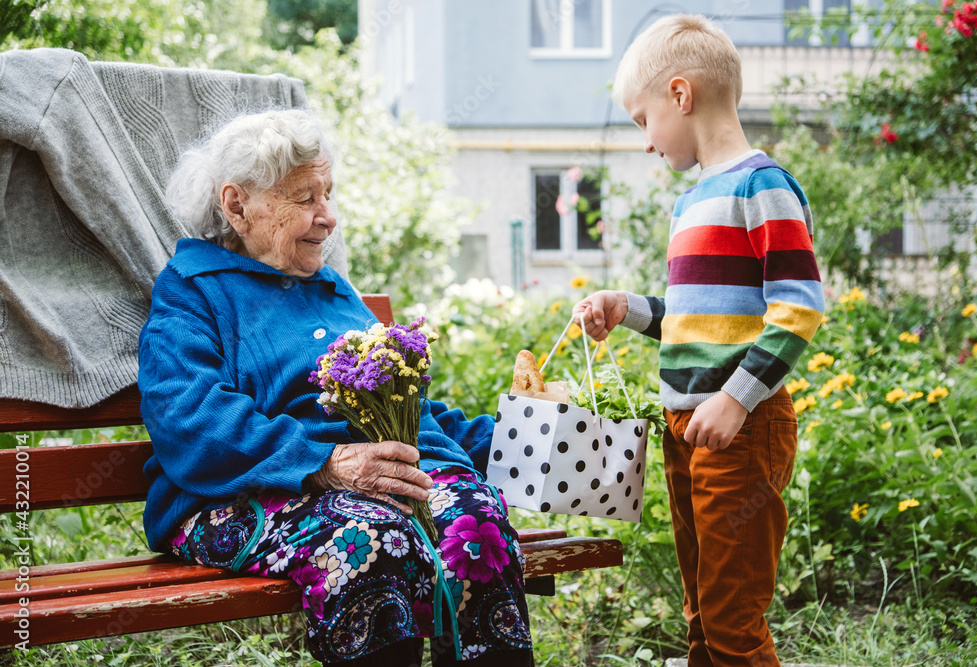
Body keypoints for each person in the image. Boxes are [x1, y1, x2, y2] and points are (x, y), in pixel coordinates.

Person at [138, 108, 533, 667]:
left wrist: (525, 441)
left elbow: (403, 407)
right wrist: (324, 462)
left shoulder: (329, 287)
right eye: (305, 199)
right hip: (243, 496)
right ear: (237, 205)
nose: (328, 217)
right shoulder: (192, 292)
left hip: (376, 484)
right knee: (370, 541)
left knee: (473, 522)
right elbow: (191, 418)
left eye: (329, 194)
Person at [572, 15, 824, 667]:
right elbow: (690, 316)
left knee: (733, 617)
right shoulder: (690, 203)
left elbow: (799, 307)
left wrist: (737, 398)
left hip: (741, 428)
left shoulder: (760, 186)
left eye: (642, 120)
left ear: (681, 96)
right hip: (685, 430)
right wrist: (625, 308)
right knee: (700, 610)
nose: (647, 142)